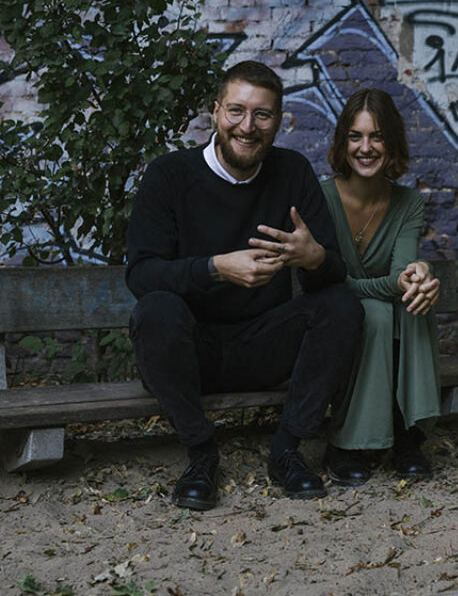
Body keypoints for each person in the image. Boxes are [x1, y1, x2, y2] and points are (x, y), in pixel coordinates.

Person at [126, 61, 363, 511]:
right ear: (216, 112)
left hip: (263, 344)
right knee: (155, 311)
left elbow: (332, 270)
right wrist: (215, 268)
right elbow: (141, 275)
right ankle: (201, 454)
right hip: (191, 350)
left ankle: (286, 449)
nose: (247, 127)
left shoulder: (292, 172)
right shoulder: (169, 175)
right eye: (236, 111)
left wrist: (313, 257)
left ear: (279, 120)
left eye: (262, 115)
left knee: (341, 304)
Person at [320, 88, 442, 487]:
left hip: (382, 314)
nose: (366, 148)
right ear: (343, 142)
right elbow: (326, 280)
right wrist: (395, 281)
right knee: (372, 310)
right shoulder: (321, 197)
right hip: (328, 316)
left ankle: (408, 434)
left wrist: (420, 274)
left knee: (414, 300)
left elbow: (401, 275)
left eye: (377, 137)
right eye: (355, 136)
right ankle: (348, 442)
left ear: (392, 142)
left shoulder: (408, 203)